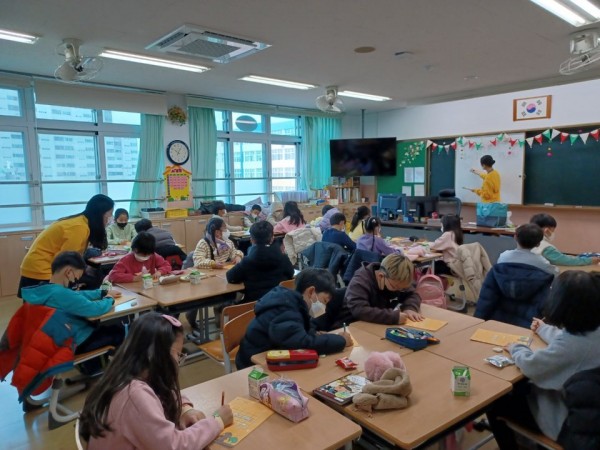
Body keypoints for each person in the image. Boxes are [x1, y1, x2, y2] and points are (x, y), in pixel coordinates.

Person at [79, 313, 233, 449]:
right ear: (157, 355)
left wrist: (185, 409)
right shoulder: (134, 394)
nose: (179, 361)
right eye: (178, 354)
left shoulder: (126, 372)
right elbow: (175, 446)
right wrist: (217, 421)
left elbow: (164, 390)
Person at [486, 271, 600, 449]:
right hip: (591, 413)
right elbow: (570, 340)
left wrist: (517, 348)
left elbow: (531, 365)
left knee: (497, 402)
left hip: (573, 429)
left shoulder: (569, 347)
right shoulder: (591, 331)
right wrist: (543, 329)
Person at [235, 268, 352, 369]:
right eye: (324, 301)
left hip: (271, 356)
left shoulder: (293, 303)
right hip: (254, 366)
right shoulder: (286, 310)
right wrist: (341, 341)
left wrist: (314, 334)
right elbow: (301, 344)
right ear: (311, 291)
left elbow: (296, 333)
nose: (324, 308)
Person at [21, 251, 124, 358]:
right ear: (68, 272)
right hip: (76, 342)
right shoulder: (61, 294)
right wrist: (109, 299)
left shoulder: (47, 289)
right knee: (118, 330)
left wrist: (101, 292)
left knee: (100, 325)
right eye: (76, 278)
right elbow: (94, 309)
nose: (76, 282)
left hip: (56, 340)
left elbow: (76, 295)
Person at [18, 194, 114, 298]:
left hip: (44, 265)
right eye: (109, 215)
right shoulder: (79, 228)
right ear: (99, 214)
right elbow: (67, 261)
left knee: (94, 277)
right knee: (93, 282)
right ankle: (98, 302)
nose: (109, 220)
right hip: (41, 269)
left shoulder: (81, 222)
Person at [474, 224, 556, 327]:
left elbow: (487, 298)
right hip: (529, 323)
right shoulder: (543, 263)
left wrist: (478, 321)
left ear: (515, 237)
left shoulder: (503, 257)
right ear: (539, 243)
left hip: (497, 319)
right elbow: (555, 275)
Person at [335, 253, 423, 327]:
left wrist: (410, 308)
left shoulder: (396, 279)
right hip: (351, 325)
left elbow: (413, 294)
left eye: (402, 288)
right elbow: (359, 310)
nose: (399, 290)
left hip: (376, 325)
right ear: (381, 276)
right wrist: (392, 317)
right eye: (395, 287)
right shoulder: (360, 281)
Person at [187, 217, 243, 329]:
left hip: (221, 275)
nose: (226, 231)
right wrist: (212, 263)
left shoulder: (227, 242)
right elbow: (198, 260)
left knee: (232, 292)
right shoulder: (204, 243)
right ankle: (191, 317)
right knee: (197, 298)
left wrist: (237, 256)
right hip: (206, 276)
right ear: (217, 232)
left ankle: (221, 317)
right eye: (224, 229)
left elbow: (235, 252)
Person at [226, 221, 294, 302]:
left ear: (251, 240)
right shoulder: (283, 258)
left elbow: (230, 277)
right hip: (279, 302)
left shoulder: (247, 261)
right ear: (272, 238)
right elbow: (291, 273)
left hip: (254, 306)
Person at [530, 213, 600, 266]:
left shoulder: (526, 241)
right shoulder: (546, 247)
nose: (553, 233)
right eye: (552, 230)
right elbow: (566, 261)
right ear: (546, 230)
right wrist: (591, 260)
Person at [107, 232, 172, 283]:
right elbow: (113, 275)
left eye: (148, 255)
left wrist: (160, 272)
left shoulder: (153, 256)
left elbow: (166, 265)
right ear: (135, 250)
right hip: (132, 290)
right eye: (143, 255)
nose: (145, 257)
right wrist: (134, 278)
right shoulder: (125, 260)